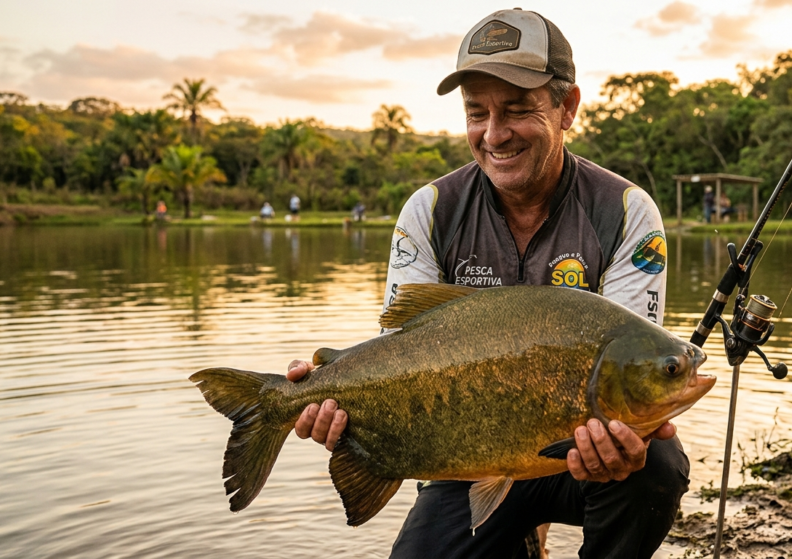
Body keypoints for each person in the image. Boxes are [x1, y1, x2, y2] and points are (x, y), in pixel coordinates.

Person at [287, 9, 688, 559]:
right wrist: (334, 399)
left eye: (518, 110)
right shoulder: (428, 212)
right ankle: (518, 540)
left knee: (657, 463)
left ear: (567, 108)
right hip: (462, 459)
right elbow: (399, 356)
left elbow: (630, 363)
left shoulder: (624, 211)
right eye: (477, 113)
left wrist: (627, 437)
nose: (494, 135)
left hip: (581, 457)